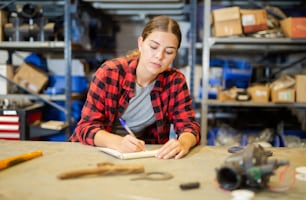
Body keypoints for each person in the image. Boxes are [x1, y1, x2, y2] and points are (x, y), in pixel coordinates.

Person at [69, 15, 200, 159]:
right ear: (140, 43)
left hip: (139, 155)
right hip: (96, 152)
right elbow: (85, 127)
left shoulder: (175, 81)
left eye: (169, 52)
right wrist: (117, 142)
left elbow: (189, 126)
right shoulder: (110, 73)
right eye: (153, 47)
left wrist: (183, 143)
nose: (159, 56)